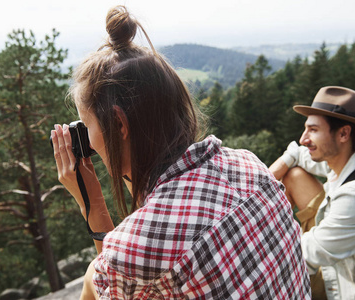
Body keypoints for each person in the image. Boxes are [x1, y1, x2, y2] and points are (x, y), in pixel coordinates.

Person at [50, 5, 311, 299]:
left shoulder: (134, 249)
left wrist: (91, 203)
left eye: (88, 126)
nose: (90, 139)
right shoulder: (251, 166)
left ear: (119, 123)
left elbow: (114, 274)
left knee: (89, 278)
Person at [269, 86, 355, 299]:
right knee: (294, 174)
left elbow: (306, 254)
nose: (304, 138)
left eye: (313, 130)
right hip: (342, 257)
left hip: (349, 287)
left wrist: (259, 250)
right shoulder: (353, 158)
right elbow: (297, 153)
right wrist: (268, 177)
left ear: (343, 133)